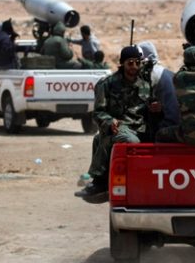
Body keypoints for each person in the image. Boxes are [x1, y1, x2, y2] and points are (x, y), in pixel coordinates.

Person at [74, 46, 175, 204]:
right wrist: (109, 121)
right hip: (121, 126)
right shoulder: (107, 84)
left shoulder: (146, 83)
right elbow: (98, 112)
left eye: (137, 63)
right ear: (122, 63)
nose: (134, 67)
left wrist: (157, 108)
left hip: (142, 128)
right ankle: (99, 181)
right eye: (130, 63)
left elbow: (149, 106)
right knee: (127, 142)